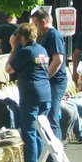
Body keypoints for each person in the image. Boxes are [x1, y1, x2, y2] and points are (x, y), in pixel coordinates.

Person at [4, 23, 51, 162]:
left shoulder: (25, 51)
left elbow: (8, 69)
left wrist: (13, 48)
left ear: (20, 37)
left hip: (31, 93)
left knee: (29, 129)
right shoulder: (41, 50)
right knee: (40, 130)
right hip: (45, 92)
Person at [30, 9, 67, 145]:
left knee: (51, 117)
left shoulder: (54, 35)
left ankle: (55, 155)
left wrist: (44, 78)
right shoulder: (44, 35)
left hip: (55, 81)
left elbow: (58, 60)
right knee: (47, 116)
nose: (34, 28)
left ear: (43, 22)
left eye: (35, 24)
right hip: (49, 81)